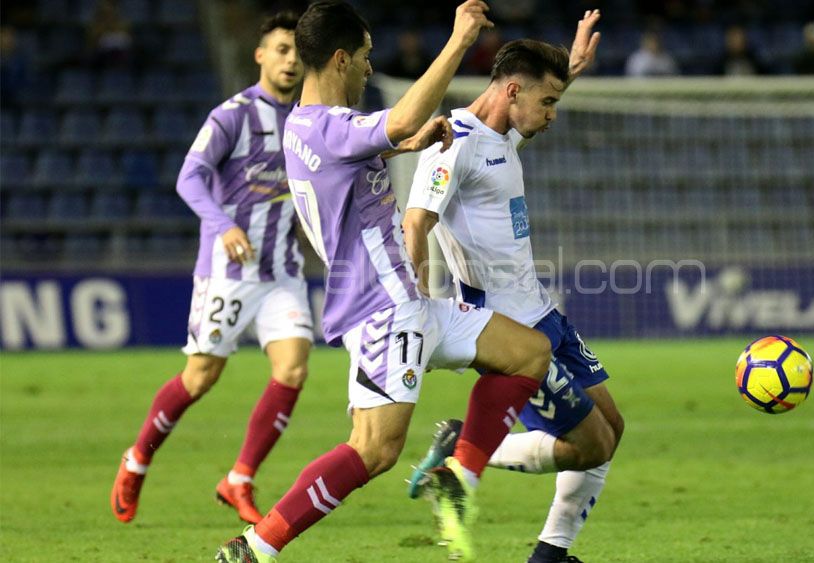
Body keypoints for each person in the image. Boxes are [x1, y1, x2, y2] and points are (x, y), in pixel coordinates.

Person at [216, 2, 572, 561]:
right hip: (386, 309)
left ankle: (460, 474)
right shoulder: (332, 126)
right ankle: (257, 546)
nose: (367, 68)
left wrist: (399, 145)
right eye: (364, 57)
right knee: (374, 450)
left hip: (408, 302)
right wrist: (457, 42)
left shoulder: (303, 129)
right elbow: (398, 121)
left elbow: (370, 148)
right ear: (340, 59)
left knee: (530, 352)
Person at [403, 11, 624, 563]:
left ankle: (550, 552)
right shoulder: (453, 143)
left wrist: (568, 70)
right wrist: (416, 299)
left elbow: (528, 103)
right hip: (509, 330)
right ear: (512, 90)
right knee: (589, 444)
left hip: (544, 314)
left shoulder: (501, 133)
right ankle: (469, 454)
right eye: (547, 103)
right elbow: (416, 220)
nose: (552, 115)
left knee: (611, 429)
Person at [111, 11, 310, 526]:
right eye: (281, 50)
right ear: (260, 55)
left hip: (282, 270)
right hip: (228, 269)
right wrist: (223, 224)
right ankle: (136, 460)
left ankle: (239, 478)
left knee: (292, 368)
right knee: (200, 378)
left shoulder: (310, 119)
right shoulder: (233, 116)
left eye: (297, 52)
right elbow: (190, 178)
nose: (290, 60)